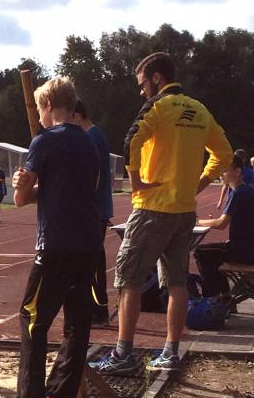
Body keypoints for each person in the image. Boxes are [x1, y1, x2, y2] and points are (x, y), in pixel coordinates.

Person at [90, 52, 233, 374]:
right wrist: (199, 183)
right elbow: (223, 153)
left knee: (128, 279)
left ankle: (123, 355)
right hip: (184, 212)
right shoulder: (200, 109)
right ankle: (170, 352)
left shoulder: (158, 107)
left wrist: (136, 180)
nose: (141, 91)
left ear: (157, 78)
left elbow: (131, 142)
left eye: (143, 84)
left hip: (152, 208)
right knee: (177, 282)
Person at [0, 76, 102, 398]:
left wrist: (20, 185)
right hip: (89, 243)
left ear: (48, 106)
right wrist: (34, 188)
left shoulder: (43, 141)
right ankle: (62, 394)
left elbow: (20, 199)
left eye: (40, 109)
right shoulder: (89, 142)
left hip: (55, 243)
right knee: (77, 321)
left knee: (32, 318)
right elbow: (72, 190)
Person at [72, 99, 113, 325]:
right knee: (92, 258)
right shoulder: (94, 136)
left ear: (77, 115)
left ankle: (98, 311)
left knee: (93, 260)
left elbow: (93, 176)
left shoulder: (92, 137)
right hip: (96, 207)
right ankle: (95, 309)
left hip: (94, 208)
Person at [194, 155, 254, 296]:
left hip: (243, 251)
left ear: (237, 172)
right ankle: (224, 295)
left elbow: (221, 223)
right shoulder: (247, 191)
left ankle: (213, 296)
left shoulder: (238, 193)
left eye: (225, 170)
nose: (221, 174)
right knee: (211, 253)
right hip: (248, 247)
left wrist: (197, 222)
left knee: (201, 253)